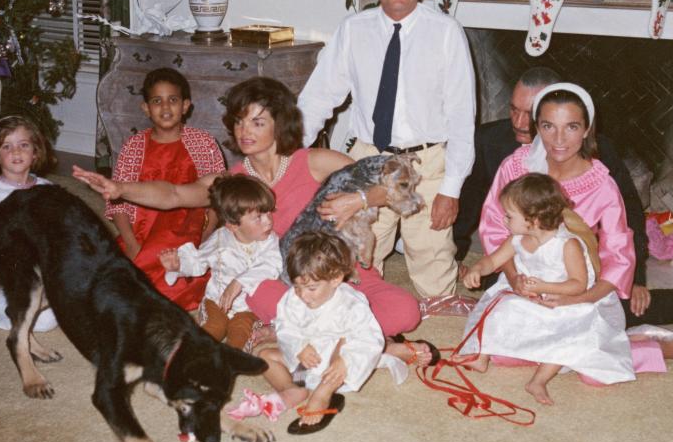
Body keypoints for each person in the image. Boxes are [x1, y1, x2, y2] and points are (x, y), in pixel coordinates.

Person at [73, 76, 436, 366]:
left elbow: (391, 181)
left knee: (406, 312)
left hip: (340, 271)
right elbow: (173, 194)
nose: (245, 130)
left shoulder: (313, 161)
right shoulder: (232, 182)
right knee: (255, 292)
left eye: (258, 121)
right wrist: (119, 187)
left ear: (280, 126)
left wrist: (357, 200)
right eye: (240, 120)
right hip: (282, 285)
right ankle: (364, 345)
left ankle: (316, 341)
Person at [456, 67, 673, 328]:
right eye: (548, 126)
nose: (559, 139)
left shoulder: (601, 179)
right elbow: (495, 229)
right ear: (538, 126)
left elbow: (619, 245)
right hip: (523, 268)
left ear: (586, 129)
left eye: (571, 127)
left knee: (619, 314)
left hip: (580, 277)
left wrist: (601, 292)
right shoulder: (515, 166)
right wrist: (516, 279)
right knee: (501, 332)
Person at [297, 0, 476, 299]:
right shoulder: (353, 30)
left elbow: (461, 117)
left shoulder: (445, 33)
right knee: (355, 264)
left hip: (427, 163)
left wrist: (451, 189)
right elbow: (316, 100)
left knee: (432, 265)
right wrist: (287, 160)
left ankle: (437, 315)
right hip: (370, 160)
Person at [457, 173, 634, 405]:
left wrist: (544, 286)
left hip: (565, 300)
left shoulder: (567, 244)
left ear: (534, 220)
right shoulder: (517, 239)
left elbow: (578, 284)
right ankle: (481, 357)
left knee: (570, 332)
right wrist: (477, 270)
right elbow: (492, 261)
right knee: (499, 308)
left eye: (509, 216)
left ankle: (539, 380)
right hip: (529, 298)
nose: (504, 220)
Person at [105, 67, 225, 310]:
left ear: (185, 106)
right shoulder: (133, 146)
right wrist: (131, 245)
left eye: (173, 100)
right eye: (157, 101)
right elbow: (116, 202)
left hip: (189, 233)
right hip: (143, 232)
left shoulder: (203, 143)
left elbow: (219, 197)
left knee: (185, 282)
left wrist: (207, 234)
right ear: (146, 108)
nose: (166, 107)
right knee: (124, 282)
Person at [258, 232, 401, 434]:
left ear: (335, 279)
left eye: (311, 288)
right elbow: (285, 325)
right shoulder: (293, 298)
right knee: (264, 357)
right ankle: (291, 388)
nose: (303, 295)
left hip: (335, 360)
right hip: (306, 358)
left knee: (344, 350)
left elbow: (366, 338)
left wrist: (344, 361)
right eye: (297, 287)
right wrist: (298, 346)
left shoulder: (351, 303)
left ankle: (323, 393)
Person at [159, 176, 282, 350]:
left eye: (268, 212)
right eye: (258, 217)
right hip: (217, 300)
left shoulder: (271, 241)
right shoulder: (220, 239)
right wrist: (178, 266)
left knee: (239, 338)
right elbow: (198, 261)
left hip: (248, 308)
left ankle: (227, 366)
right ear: (232, 226)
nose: (268, 221)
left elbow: (271, 265)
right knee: (211, 331)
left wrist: (239, 282)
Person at [0, 115, 57, 332]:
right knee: (44, 322)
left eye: (23, 145)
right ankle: (2, 314)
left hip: (46, 270)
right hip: (10, 277)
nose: (16, 152)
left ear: (35, 151)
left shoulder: (47, 188)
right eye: (7, 146)